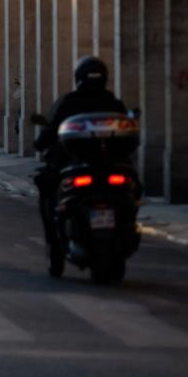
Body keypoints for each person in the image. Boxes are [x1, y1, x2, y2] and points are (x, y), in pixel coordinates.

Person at [32, 56, 129, 247]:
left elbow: (51, 130)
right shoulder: (113, 103)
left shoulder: (69, 102)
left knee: (47, 186)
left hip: (74, 163)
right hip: (109, 164)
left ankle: (54, 244)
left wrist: (40, 143)